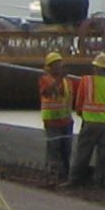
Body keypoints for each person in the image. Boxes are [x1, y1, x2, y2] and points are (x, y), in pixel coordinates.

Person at [68, 52, 105, 189]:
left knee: (83, 152)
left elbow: (79, 102)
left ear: (96, 68)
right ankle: (99, 181)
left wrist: (82, 114)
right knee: (103, 154)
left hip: (90, 122)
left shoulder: (86, 81)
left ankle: (76, 180)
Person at [38, 51, 75, 179]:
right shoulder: (45, 80)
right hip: (52, 121)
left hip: (66, 121)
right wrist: (59, 78)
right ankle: (52, 174)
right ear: (50, 66)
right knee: (54, 148)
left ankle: (64, 174)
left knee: (66, 149)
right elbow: (48, 91)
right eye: (56, 64)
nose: (59, 66)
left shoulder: (68, 82)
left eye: (60, 64)